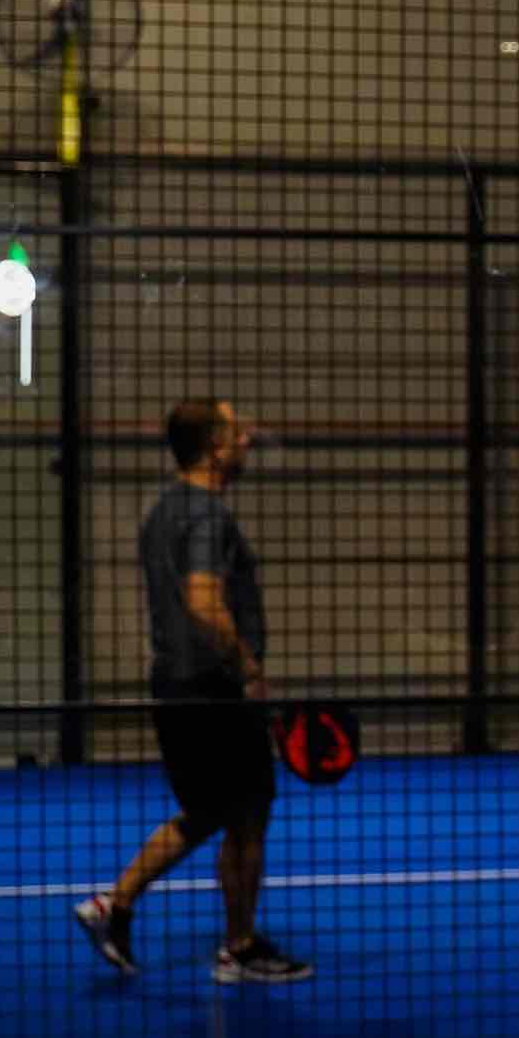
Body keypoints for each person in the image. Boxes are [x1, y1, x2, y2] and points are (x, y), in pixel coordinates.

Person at [75, 401, 313, 985]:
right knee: (249, 815)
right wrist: (248, 666)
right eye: (236, 432)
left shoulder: (162, 511)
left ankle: (114, 906)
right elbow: (204, 603)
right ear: (213, 449)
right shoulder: (206, 516)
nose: (248, 438)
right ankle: (240, 947)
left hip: (176, 685)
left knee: (208, 810)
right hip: (214, 690)